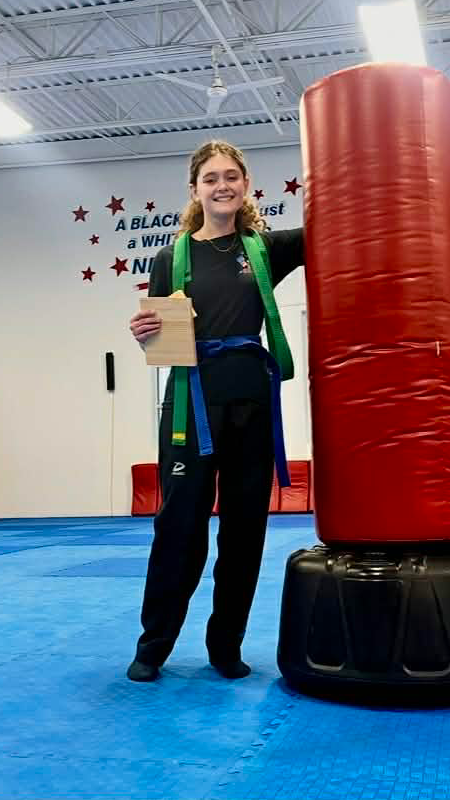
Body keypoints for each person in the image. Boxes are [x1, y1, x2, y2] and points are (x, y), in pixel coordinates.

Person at [127, 140, 304, 682]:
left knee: (245, 530)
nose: (221, 185)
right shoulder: (170, 257)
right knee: (178, 527)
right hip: (189, 407)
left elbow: (331, 222)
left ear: (246, 184)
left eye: (231, 176)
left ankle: (225, 645)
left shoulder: (265, 249)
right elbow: (160, 339)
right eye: (211, 178)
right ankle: (153, 646)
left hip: (251, 404)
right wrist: (142, 334)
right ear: (195, 189)